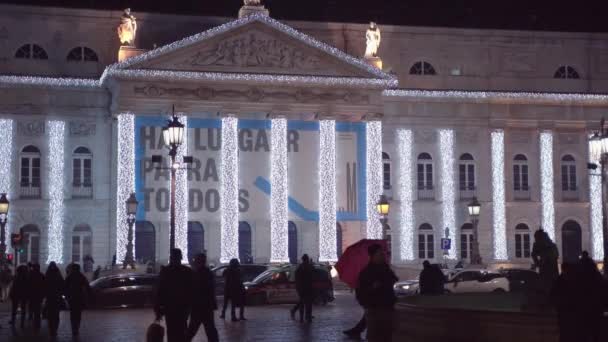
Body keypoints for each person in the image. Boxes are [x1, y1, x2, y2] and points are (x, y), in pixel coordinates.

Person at [355, 244, 398, 342]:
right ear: (372, 256)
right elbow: (360, 292)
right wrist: (372, 287)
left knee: (387, 335)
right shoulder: (366, 272)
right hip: (374, 309)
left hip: (388, 307)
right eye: (380, 254)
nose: (383, 256)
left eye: (383, 254)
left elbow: (394, 279)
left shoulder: (386, 268)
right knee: (374, 335)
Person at [155, 248, 193, 342]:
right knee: (181, 330)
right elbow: (192, 291)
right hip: (182, 307)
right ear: (180, 257)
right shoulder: (187, 271)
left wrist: (158, 309)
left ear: (171, 257)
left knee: (172, 331)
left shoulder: (165, 271)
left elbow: (159, 291)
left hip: (171, 307)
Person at [185, 253, 218, 342]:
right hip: (207, 306)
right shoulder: (208, 273)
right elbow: (211, 290)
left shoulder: (195, 274)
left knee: (192, 330)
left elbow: (192, 290)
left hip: (197, 306)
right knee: (210, 330)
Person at [64, 263, 91, 336]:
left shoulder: (69, 276)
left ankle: (74, 328)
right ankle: (77, 328)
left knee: (72, 314)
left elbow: (65, 287)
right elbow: (87, 286)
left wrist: (66, 296)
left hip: (72, 298)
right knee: (78, 314)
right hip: (79, 298)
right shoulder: (81, 276)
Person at [291, 254, 314, 322]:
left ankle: (302, 317)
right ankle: (308, 316)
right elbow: (313, 274)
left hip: (301, 288)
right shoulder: (308, 267)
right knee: (308, 303)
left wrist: (298, 287)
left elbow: (297, 278)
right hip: (307, 287)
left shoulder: (300, 267)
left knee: (302, 303)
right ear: (306, 259)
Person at [45, 262, 65, 338]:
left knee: (50, 314)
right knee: (56, 315)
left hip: (50, 297)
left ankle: (51, 329)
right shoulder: (58, 274)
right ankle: (55, 329)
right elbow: (62, 285)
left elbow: (45, 285)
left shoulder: (48, 274)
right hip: (56, 297)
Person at [28, 263, 45, 330]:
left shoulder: (30, 275)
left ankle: (31, 317)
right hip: (39, 295)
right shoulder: (41, 275)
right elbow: (44, 285)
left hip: (32, 294)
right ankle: (37, 323)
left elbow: (28, 285)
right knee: (37, 310)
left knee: (32, 307)